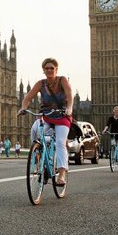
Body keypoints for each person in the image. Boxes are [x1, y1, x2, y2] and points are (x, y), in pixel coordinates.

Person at [17, 58, 73, 186]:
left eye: (52, 68)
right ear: (43, 70)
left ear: (56, 69)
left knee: (59, 142)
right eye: (47, 68)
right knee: (35, 129)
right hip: (47, 115)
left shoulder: (62, 80)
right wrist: (23, 107)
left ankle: (62, 174)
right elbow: (28, 97)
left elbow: (69, 95)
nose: (49, 70)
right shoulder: (40, 84)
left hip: (62, 116)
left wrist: (69, 108)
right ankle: (38, 157)